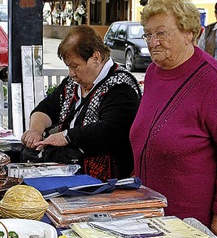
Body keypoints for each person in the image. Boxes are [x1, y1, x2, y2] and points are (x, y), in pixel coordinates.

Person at [131, 0, 217, 238]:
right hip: (154, 218)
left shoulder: (212, 81)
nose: (153, 42)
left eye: (162, 33)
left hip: (196, 227)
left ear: (189, 33)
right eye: (149, 34)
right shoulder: (154, 73)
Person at [21, 25, 142, 181]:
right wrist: (35, 130)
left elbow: (111, 130)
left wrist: (66, 136)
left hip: (104, 182)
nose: (71, 73)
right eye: (68, 67)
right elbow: (46, 108)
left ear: (96, 58)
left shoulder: (121, 86)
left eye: (75, 66)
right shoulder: (72, 84)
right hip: (69, 171)